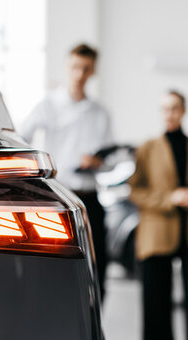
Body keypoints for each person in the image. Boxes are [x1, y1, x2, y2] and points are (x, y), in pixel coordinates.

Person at [19, 43, 113, 301]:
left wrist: (98, 162)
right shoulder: (48, 105)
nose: (80, 74)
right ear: (66, 67)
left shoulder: (101, 113)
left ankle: (93, 328)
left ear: (93, 70)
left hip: (89, 197)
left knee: (95, 268)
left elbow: (108, 159)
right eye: (75, 67)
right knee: (54, 267)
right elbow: (19, 140)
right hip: (58, 198)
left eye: (86, 68)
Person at [129, 90, 188, 340]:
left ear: (184, 110)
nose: (170, 114)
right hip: (156, 235)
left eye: (175, 108)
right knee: (156, 307)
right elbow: (136, 192)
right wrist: (170, 198)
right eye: (165, 109)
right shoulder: (148, 149)